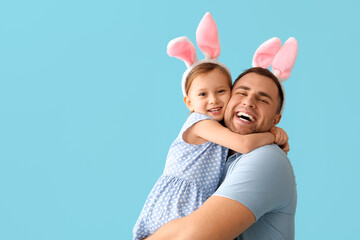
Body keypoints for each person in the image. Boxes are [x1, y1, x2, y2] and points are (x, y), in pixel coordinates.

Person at [133, 62, 288, 240]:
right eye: (203, 94)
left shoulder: (257, 155)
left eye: (221, 91)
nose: (213, 100)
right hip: (178, 202)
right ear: (189, 102)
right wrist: (273, 135)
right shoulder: (200, 123)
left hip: (193, 203)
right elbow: (244, 143)